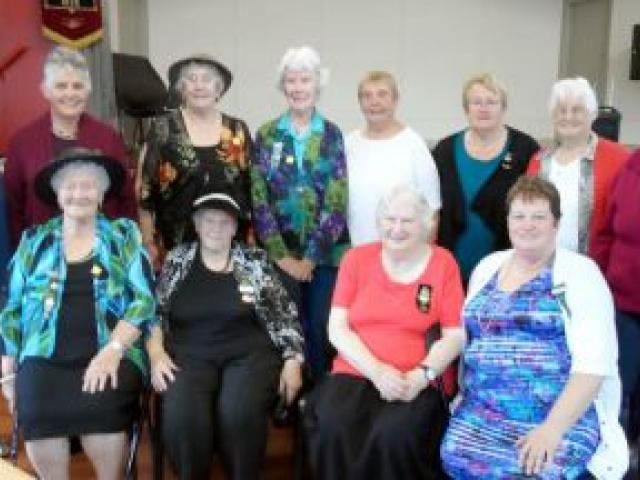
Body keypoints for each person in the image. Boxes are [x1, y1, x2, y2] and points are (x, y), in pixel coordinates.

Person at [441, 176, 627, 479]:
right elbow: (467, 336)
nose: (527, 224)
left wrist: (552, 430)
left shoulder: (580, 274)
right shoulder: (488, 267)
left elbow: (594, 364)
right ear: (509, 221)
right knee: (457, 459)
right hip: (483, 411)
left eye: (539, 216)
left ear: (556, 223)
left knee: (536, 469)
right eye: (519, 216)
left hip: (557, 413)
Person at [0, 148, 156, 480]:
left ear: (101, 194)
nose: (78, 194)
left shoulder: (124, 236)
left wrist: (113, 350)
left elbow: (144, 300)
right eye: (69, 186)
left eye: (88, 186)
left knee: (102, 408)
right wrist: (8, 373)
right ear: (57, 195)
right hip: (44, 355)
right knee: (37, 411)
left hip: (111, 349)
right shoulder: (34, 241)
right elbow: (11, 306)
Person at [146, 181, 305, 480]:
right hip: (190, 354)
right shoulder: (177, 260)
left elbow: (285, 316)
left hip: (249, 354)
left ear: (235, 228)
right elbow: (153, 314)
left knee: (238, 413)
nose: (215, 229)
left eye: (224, 222)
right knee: (183, 417)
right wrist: (156, 354)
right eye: (208, 221)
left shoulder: (255, 261)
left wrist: (293, 361)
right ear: (196, 224)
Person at [305, 185, 465, 479]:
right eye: (389, 220)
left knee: (394, 435)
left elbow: (455, 335)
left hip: (415, 378)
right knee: (332, 425)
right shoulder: (357, 259)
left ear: (426, 225)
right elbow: (337, 328)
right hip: (358, 369)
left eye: (407, 221)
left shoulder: (443, 263)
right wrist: (377, 372)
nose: (397, 229)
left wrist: (422, 375)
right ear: (378, 223)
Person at [251, 46, 349, 377]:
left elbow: (337, 201)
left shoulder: (332, 134)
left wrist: (309, 259)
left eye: (305, 80)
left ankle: (320, 395)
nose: (297, 88)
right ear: (283, 86)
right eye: (291, 80)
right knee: (281, 324)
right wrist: (283, 257)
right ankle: (287, 398)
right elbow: (259, 199)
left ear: (317, 85)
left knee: (322, 326)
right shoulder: (266, 134)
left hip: (323, 255)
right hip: (280, 253)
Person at [5, 45, 137, 249]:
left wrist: (129, 248)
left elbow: (126, 200)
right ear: (46, 90)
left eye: (77, 86)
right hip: (42, 261)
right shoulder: (21, 142)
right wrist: (23, 258)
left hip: (103, 256)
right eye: (61, 86)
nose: (70, 93)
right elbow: (13, 210)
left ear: (88, 90)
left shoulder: (108, 138)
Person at [138, 54, 252, 265]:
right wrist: (148, 242)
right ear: (182, 88)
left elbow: (250, 190)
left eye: (207, 79)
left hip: (229, 247)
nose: (199, 86)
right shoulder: (163, 129)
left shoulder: (237, 130)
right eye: (191, 79)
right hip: (176, 247)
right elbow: (145, 192)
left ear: (219, 89)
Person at [432, 73, 539, 283]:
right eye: (476, 102)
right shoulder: (443, 151)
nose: (484, 108)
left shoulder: (525, 150)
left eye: (491, 102)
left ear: (503, 108)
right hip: (450, 270)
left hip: (509, 270)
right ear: (466, 108)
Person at [527, 77, 629, 256]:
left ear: (593, 114)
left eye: (577, 110)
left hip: (597, 269)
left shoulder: (620, 159)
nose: (568, 117)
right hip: (542, 266)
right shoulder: (538, 161)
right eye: (561, 110)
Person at [346, 70, 441, 245]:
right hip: (358, 253)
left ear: (395, 100)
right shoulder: (348, 144)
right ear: (359, 103)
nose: (374, 102)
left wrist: (420, 258)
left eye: (382, 94)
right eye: (367, 96)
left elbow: (432, 211)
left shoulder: (414, 145)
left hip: (405, 256)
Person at [592, 148, 640, 445]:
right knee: (620, 386)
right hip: (624, 300)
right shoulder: (633, 166)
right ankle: (618, 455)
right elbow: (607, 230)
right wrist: (600, 284)